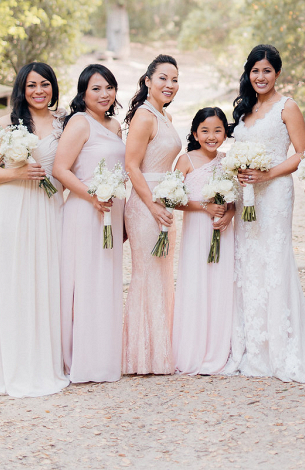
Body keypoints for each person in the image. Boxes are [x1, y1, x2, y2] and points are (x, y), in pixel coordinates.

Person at [224, 44, 305, 382]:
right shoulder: (246, 110)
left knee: (274, 259)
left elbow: (302, 151)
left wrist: (268, 173)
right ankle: (253, 344)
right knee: (248, 260)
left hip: (274, 192)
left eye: (267, 70)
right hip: (247, 193)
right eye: (255, 71)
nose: (260, 77)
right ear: (248, 74)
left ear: (277, 73)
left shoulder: (287, 106)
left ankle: (282, 345)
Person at [0, 62, 68, 397]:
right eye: (31, 85)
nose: (39, 91)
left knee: (47, 281)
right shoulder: (6, 123)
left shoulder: (64, 122)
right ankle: (15, 366)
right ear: (21, 88)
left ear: (53, 87)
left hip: (50, 209)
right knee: (16, 281)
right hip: (15, 209)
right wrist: (17, 174)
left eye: (45, 84)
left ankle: (47, 362)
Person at [53, 64, 125, 384]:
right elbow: (61, 169)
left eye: (109, 87)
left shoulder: (115, 126)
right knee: (83, 282)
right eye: (96, 88)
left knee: (105, 281)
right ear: (83, 92)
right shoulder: (80, 123)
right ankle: (77, 358)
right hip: (85, 212)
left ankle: (101, 355)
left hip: (112, 212)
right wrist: (93, 195)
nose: (104, 94)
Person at [122, 55, 182, 375]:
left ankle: (161, 350)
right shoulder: (145, 117)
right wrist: (154, 206)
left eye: (174, 80)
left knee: (161, 273)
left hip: (163, 203)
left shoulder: (162, 115)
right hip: (146, 207)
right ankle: (141, 356)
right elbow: (132, 166)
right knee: (146, 274)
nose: (169, 85)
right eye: (163, 78)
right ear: (148, 80)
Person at [172, 107, 234, 375]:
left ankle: (221, 347)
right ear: (195, 133)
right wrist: (204, 208)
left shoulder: (228, 161)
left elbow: (234, 201)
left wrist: (228, 215)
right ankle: (195, 348)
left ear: (225, 133)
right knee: (197, 283)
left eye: (217, 130)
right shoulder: (186, 160)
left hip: (223, 232)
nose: (211, 136)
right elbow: (172, 199)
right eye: (205, 131)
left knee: (221, 286)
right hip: (197, 231)